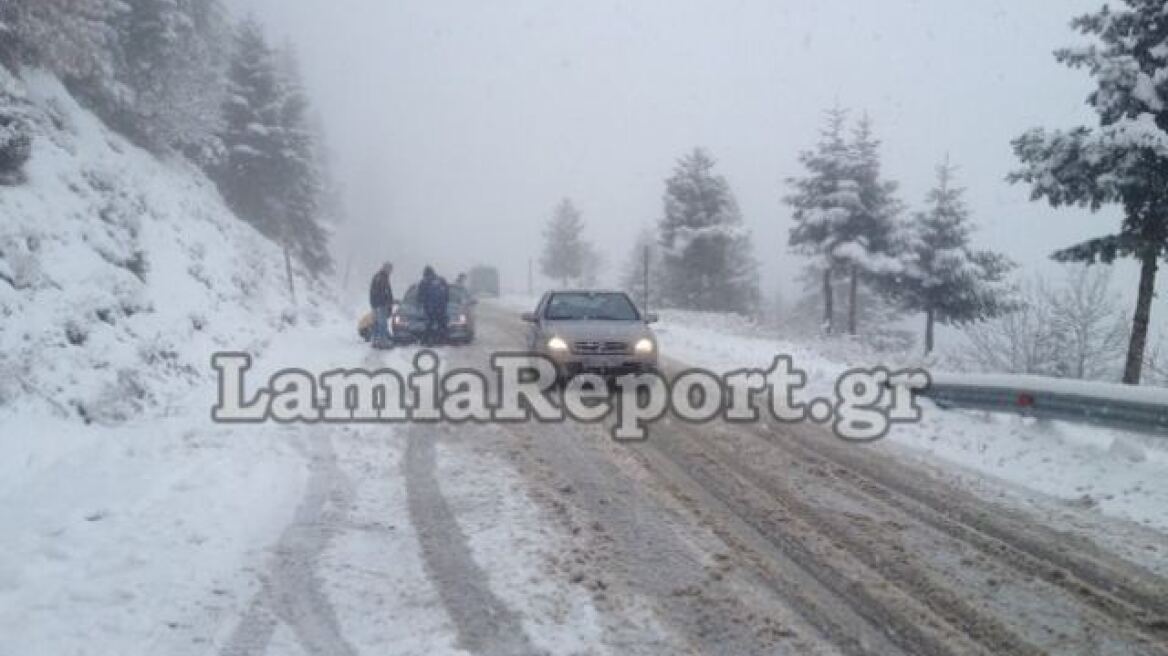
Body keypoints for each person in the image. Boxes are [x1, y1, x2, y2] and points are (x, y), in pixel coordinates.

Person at [418, 265, 450, 346]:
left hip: (430, 308)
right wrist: (444, 303)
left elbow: (420, 296)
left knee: (429, 325)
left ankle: (428, 340)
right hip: (441, 307)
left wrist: (423, 303)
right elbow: (447, 294)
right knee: (441, 324)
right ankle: (441, 340)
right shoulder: (441, 280)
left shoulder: (424, 282)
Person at [369, 262, 394, 349]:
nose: (390, 272)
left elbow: (373, 292)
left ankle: (375, 340)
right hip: (381, 304)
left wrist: (373, 304)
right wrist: (387, 302)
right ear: (386, 268)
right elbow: (384, 292)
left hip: (376, 304)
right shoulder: (382, 278)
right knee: (382, 323)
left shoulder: (378, 277)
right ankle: (383, 341)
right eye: (390, 269)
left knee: (376, 323)